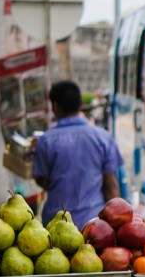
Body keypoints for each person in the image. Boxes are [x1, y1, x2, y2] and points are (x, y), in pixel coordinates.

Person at [33, 80, 122, 230]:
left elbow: (42, 180)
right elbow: (110, 185)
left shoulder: (46, 141)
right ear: (80, 105)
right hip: (94, 226)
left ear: (55, 106)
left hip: (56, 227)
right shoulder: (102, 138)